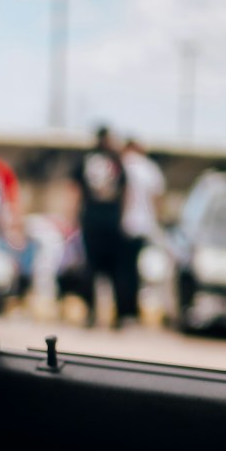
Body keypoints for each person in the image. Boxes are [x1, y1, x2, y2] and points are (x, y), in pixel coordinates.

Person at [71, 125, 127, 327]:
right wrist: (122, 217)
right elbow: (125, 192)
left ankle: (91, 313)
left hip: (92, 219)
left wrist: (74, 216)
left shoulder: (86, 160)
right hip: (110, 219)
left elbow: (76, 191)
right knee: (114, 270)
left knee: (91, 268)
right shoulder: (116, 160)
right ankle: (117, 316)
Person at [119, 138, 165, 324]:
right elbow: (157, 198)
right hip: (146, 225)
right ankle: (144, 312)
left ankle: (126, 310)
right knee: (147, 272)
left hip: (124, 224)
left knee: (124, 271)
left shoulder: (121, 165)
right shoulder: (149, 168)